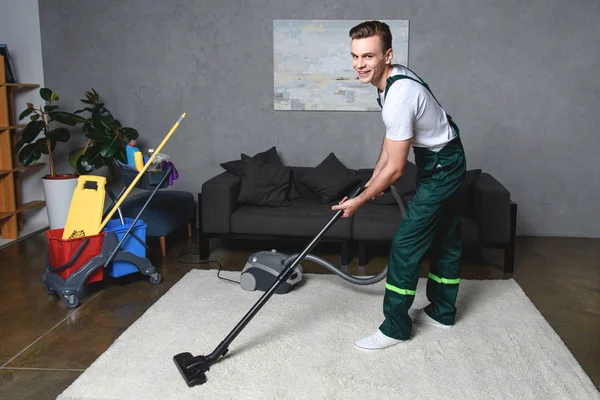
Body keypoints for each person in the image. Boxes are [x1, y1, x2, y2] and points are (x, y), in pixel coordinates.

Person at [332, 20, 467, 350]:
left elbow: (395, 170)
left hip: (442, 165)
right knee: (447, 236)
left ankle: (395, 327)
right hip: (443, 157)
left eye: (368, 56)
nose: (360, 65)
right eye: (355, 56)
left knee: (405, 245)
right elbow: (391, 143)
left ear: (387, 54)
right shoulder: (390, 81)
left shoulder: (400, 96)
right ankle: (442, 311)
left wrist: (360, 199)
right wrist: (371, 178)